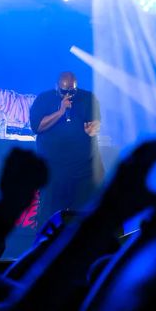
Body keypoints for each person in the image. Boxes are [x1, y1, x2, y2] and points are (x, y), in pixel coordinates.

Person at [29, 71, 104, 225]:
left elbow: (96, 122)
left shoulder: (88, 98)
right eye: (64, 91)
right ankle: (46, 246)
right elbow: (37, 126)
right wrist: (61, 111)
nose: (69, 95)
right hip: (53, 169)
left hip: (83, 169)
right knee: (49, 216)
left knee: (86, 215)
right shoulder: (44, 99)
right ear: (56, 87)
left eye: (72, 91)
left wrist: (94, 127)